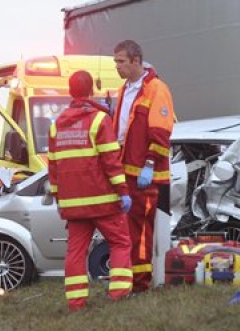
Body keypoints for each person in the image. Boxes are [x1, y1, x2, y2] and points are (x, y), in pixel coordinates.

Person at [48, 70, 134, 312]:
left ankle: (76, 302)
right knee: (120, 243)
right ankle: (119, 294)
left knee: (75, 251)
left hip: (73, 205)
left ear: (70, 92)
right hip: (103, 201)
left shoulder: (56, 127)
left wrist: (59, 199)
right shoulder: (99, 120)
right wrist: (123, 191)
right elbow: (111, 161)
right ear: (91, 91)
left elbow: (53, 169)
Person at [112, 40, 175, 293]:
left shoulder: (156, 89)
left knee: (139, 232)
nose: (117, 66)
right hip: (125, 172)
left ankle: (140, 284)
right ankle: (128, 280)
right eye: (115, 61)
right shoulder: (124, 90)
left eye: (121, 61)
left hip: (145, 176)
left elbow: (160, 133)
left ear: (136, 61)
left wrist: (148, 165)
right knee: (128, 230)